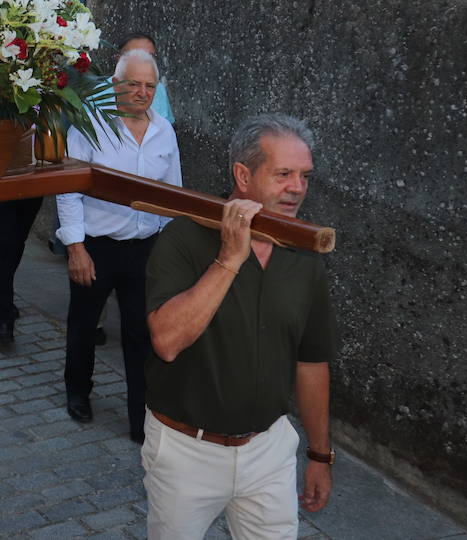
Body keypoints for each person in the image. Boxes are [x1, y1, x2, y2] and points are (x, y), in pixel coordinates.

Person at [144, 114, 335, 537]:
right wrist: (229, 258)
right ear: (243, 175)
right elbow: (167, 342)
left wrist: (320, 455)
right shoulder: (183, 237)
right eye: (283, 174)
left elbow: (311, 360)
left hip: (269, 451)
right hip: (185, 452)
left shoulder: (304, 250)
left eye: (304, 175)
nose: (297, 188)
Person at [56, 48, 181, 443]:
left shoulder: (165, 131)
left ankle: (139, 417)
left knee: (140, 334)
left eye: (149, 86)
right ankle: (78, 392)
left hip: (146, 249)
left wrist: (171, 252)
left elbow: (173, 194)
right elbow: (67, 189)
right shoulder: (89, 126)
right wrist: (76, 248)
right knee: (82, 325)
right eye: (133, 84)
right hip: (97, 246)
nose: (142, 93)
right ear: (115, 84)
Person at [0, 197, 44, 345]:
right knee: (2, 250)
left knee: (17, 243)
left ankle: (5, 300)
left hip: (31, 187)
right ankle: (3, 320)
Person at [120, 32, 175, 124]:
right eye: (137, 56)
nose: (143, 93)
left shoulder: (159, 88)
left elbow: (166, 126)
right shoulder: (99, 92)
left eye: (149, 57)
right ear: (119, 58)